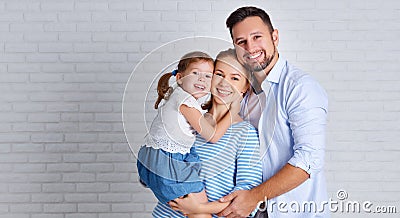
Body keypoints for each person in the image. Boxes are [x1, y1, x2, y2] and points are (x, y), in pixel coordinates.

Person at [216, 6, 330, 218]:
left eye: (257, 37)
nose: (250, 48)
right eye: (241, 42)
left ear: (274, 36)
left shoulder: (300, 87)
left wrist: (255, 196)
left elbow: (310, 158)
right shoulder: (242, 92)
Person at [159, 49, 263, 217]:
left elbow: (246, 196)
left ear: (245, 88)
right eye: (219, 74)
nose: (224, 83)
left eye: (235, 78)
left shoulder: (245, 134)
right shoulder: (189, 120)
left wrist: (199, 209)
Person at [137, 51, 240, 218]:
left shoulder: (180, 97)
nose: (202, 79)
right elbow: (212, 136)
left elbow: (204, 123)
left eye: (208, 76)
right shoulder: (185, 101)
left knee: (196, 206)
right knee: (198, 210)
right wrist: (232, 111)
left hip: (160, 158)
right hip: (167, 161)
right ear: (179, 78)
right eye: (195, 73)